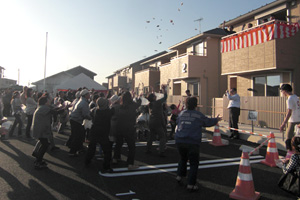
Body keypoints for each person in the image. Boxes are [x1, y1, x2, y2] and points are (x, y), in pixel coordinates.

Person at [175, 97, 222, 191]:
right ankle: (191, 184)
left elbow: (177, 122)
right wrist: (216, 119)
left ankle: (179, 176)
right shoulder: (198, 115)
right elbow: (207, 122)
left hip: (180, 140)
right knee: (193, 163)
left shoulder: (182, 114)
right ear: (196, 105)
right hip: (192, 141)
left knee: (183, 158)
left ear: (186, 104)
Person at [112, 91, 141, 170]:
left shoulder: (119, 106)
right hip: (129, 128)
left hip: (119, 127)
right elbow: (139, 102)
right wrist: (138, 96)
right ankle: (130, 164)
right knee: (131, 147)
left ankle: (115, 158)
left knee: (118, 144)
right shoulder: (133, 106)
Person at [85, 97, 113, 173]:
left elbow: (89, 115)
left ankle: (87, 161)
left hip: (94, 131)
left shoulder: (94, 110)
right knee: (107, 151)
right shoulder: (108, 112)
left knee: (91, 148)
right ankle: (106, 166)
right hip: (103, 133)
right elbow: (113, 112)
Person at [32, 95, 53, 169]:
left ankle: (38, 159)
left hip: (40, 129)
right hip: (41, 130)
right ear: (45, 102)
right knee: (45, 144)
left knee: (44, 143)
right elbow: (54, 111)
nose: (49, 101)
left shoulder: (41, 107)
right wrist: (64, 108)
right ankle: (38, 161)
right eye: (48, 100)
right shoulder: (44, 108)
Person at [68, 89, 91, 156]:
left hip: (74, 119)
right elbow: (85, 114)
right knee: (77, 136)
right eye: (88, 94)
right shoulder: (84, 103)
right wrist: (91, 118)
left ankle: (79, 149)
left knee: (78, 136)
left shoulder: (81, 101)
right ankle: (72, 152)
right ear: (85, 95)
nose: (89, 95)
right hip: (76, 120)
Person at [146, 85, 167, 156]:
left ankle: (148, 149)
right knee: (162, 137)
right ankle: (161, 151)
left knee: (151, 136)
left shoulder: (150, 104)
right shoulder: (157, 103)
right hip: (157, 121)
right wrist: (164, 89)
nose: (155, 96)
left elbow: (152, 98)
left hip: (151, 121)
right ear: (153, 98)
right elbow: (165, 97)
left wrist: (153, 92)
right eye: (154, 96)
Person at [279, 84, 300, 151]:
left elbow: (289, 112)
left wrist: (283, 124)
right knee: (296, 138)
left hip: (293, 120)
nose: (282, 92)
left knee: (288, 137)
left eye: (282, 91)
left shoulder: (289, 99)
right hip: (299, 119)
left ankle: (290, 154)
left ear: (284, 91)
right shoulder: (296, 97)